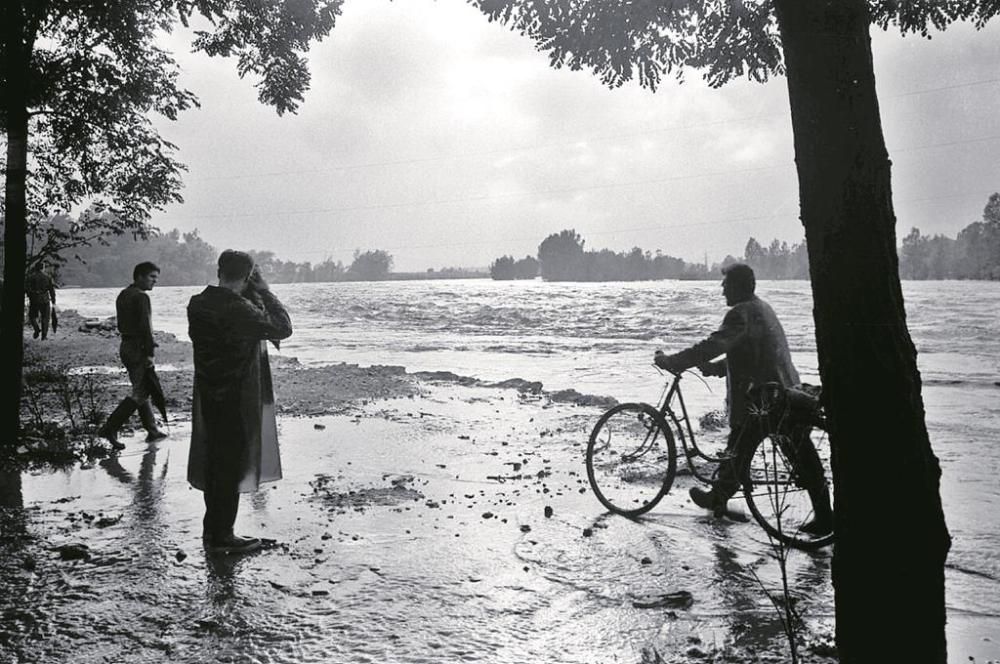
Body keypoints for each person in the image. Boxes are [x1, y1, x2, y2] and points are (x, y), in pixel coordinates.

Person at [654, 263, 832, 534]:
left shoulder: (740, 313)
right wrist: (716, 368)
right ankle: (825, 516)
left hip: (764, 398)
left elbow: (713, 344)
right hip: (785, 389)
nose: (722, 289)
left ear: (738, 286)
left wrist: (674, 361)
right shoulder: (761, 307)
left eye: (726, 284)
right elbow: (750, 349)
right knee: (798, 454)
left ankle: (719, 496)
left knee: (742, 444)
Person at [187, 250, 292, 555]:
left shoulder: (199, 303)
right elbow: (283, 328)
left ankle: (213, 531)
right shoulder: (239, 308)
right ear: (247, 277)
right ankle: (223, 537)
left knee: (215, 463)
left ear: (218, 270)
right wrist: (265, 291)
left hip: (209, 392)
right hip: (236, 396)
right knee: (231, 466)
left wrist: (250, 294)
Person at [98, 262, 168, 449]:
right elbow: (145, 327)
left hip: (126, 345)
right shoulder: (141, 297)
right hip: (138, 347)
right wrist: (150, 353)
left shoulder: (124, 294)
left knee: (140, 387)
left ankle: (152, 430)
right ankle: (110, 427)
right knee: (141, 392)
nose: (155, 281)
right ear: (140, 277)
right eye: (152, 277)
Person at [26, 263, 57, 340]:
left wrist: (30, 295)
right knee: (45, 318)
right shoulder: (47, 277)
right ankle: (44, 336)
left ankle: (36, 329)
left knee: (32, 316)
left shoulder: (30, 277)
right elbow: (51, 290)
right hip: (45, 299)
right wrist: (53, 300)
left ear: (35, 268)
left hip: (34, 300)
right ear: (42, 268)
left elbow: (27, 289)